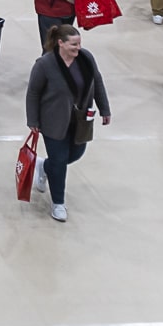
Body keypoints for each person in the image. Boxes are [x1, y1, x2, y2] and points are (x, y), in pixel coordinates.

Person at [24, 24, 111, 222]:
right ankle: (58, 203)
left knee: (76, 153)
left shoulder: (86, 58)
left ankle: (45, 167)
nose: (77, 48)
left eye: (79, 43)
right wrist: (33, 120)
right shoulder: (44, 64)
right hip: (53, 120)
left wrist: (105, 109)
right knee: (60, 161)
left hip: (81, 119)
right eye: (73, 44)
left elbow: (97, 82)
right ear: (60, 43)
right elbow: (33, 92)